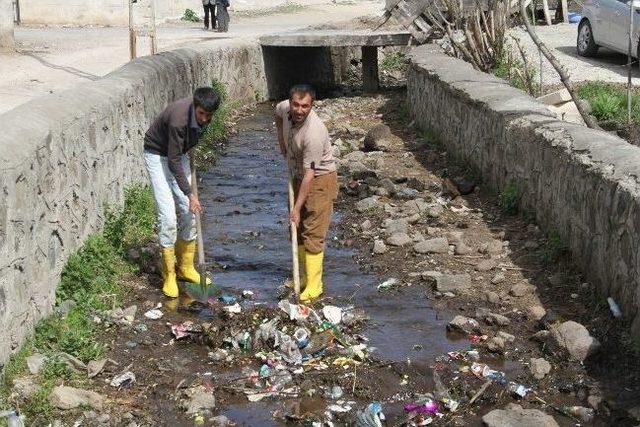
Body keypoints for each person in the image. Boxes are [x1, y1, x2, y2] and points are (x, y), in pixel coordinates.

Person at [143, 87, 220, 298]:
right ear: (195, 107)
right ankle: (169, 275)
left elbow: (179, 154)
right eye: (201, 114)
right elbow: (173, 161)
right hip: (157, 154)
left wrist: (190, 198)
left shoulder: (205, 115)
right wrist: (189, 193)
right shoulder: (178, 120)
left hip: (179, 153)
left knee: (191, 212)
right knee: (168, 215)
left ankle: (185, 268)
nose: (204, 119)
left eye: (208, 115)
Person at [275, 85, 338, 302]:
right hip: (298, 174)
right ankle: (303, 277)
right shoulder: (284, 109)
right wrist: (282, 142)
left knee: (312, 231)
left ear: (311, 106)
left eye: (305, 106)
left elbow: (311, 176)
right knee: (296, 229)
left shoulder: (314, 133)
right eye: (296, 104)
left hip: (320, 179)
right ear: (290, 102)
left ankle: (314, 285)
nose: (299, 110)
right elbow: (277, 114)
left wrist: (296, 207)